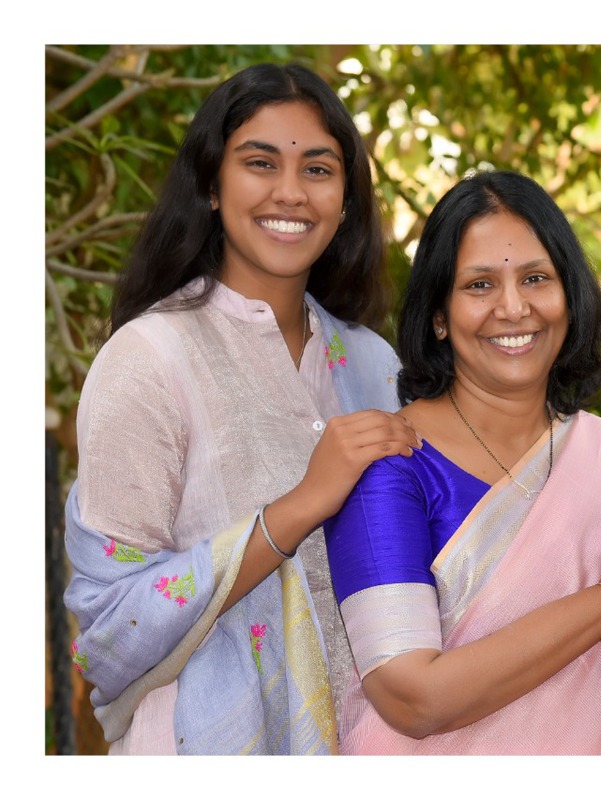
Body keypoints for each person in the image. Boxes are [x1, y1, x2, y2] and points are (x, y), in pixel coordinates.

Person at [63, 63, 419, 755]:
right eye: (260, 163)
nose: (291, 191)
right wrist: (301, 505)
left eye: (318, 169)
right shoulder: (149, 358)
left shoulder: (376, 366)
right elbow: (108, 629)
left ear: (345, 199)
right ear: (211, 185)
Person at [323, 170, 601, 754]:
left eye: (535, 278)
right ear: (438, 315)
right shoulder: (392, 468)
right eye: (479, 285)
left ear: (569, 297)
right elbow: (410, 698)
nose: (513, 307)